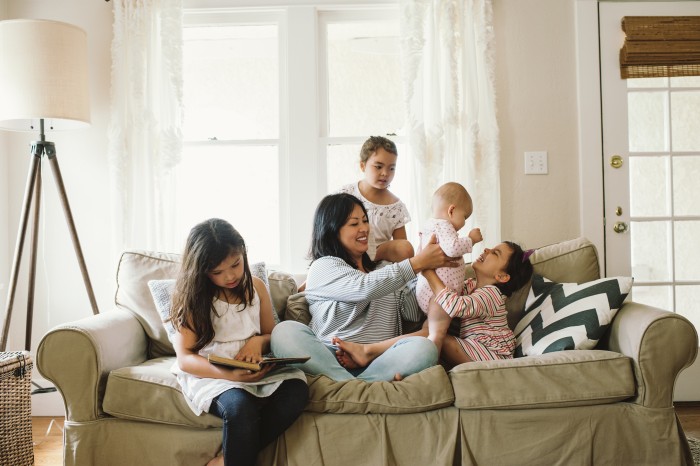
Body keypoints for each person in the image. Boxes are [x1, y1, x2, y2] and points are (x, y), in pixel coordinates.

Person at [270, 193, 459, 382]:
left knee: (424, 348)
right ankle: (356, 385)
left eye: (365, 221)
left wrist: (430, 271)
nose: (364, 229)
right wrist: (416, 263)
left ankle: (350, 386)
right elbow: (363, 288)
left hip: (379, 362)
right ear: (332, 230)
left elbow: (412, 312)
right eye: (354, 224)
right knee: (284, 332)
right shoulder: (323, 266)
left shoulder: (386, 269)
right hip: (328, 358)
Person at [168, 218, 309, 466]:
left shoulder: (256, 287)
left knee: (297, 391)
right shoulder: (195, 298)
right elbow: (185, 358)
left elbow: (270, 334)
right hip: (213, 374)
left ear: (243, 253)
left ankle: (226, 459)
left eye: (236, 264)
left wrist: (258, 343)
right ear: (201, 271)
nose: (231, 276)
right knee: (240, 409)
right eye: (217, 272)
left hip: (253, 367)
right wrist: (230, 376)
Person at [333, 241, 534, 370]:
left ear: (502, 276)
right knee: (432, 332)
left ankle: (372, 353)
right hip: (474, 349)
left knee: (439, 339)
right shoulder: (471, 285)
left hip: (491, 357)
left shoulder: (492, 295)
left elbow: (453, 305)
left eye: (495, 253)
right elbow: (446, 293)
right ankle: (383, 360)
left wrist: (428, 272)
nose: (487, 250)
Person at [338, 135, 414, 264]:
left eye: (391, 168)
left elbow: (402, 247)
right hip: (347, 253)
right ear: (363, 166)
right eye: (378, 167)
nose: (385, 173)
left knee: (405, 247)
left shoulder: (396, 206)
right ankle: (305, 284)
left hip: (378, 258)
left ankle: (369, 262)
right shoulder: (347, 194)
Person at [415, 182, 483, 314]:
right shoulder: (443, 225)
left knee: (432, 326)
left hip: (430, 293)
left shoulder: (431, 226)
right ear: (451, 210)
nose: (464, 223)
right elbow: (453, 248)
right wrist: (472, 239)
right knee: (438, 330)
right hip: (437, 295)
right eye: (464, 217)